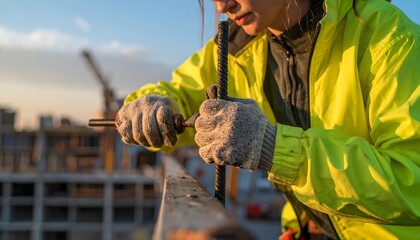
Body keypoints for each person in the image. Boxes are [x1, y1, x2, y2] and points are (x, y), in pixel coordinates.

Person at [115, 0, 420, 239]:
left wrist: (275, 150)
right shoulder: (240, 48)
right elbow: (180, 92)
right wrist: (150, 106)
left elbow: (412, 181)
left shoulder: (388, 38)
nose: (221, 5)